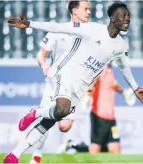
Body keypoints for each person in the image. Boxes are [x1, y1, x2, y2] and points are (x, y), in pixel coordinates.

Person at [5, 2, 143, 164]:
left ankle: (14, 155)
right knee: (61, 109)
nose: (127, 19)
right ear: (112, 17)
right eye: (123, 15)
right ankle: (37, 113)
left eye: (129, 16)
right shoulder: (92, 29)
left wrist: (135, 88)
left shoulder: (120, 45)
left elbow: (124, 67)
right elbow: (58, 27)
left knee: (50, 122)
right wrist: (30, 24)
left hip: (81, 87)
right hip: (67, 72)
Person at [29, 1, 91, 164]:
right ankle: (37, 155)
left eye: (89, 8)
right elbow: (40, 55)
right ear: (74, 10)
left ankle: (38, 113)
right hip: (53, 83)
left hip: (72, 86)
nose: (89, 12)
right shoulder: (57, 31)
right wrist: (45, 67)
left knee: (64, 126)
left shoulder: (89, 35)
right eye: (86, 9)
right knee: (47, 122)